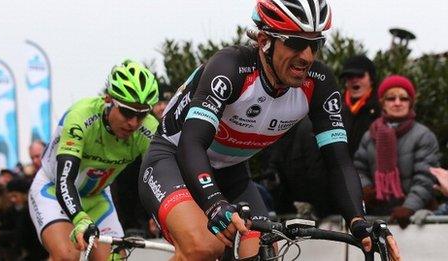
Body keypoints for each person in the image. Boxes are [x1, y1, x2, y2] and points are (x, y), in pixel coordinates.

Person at [138, 0, 400, 260]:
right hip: (173, 159)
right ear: (265, 39)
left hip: (232, 172)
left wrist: (359, 221)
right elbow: (192, 143)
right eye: (296, 43)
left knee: (264, 253)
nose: (307, 56)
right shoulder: (230, 68)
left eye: (315, 44)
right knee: (203, 247)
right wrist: (214, 203)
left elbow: (338, 161)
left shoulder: (319, 84)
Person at [28, 59, 159, 260]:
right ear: (108, 100)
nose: (133, 122)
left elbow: (162, 176)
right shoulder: (81, 117)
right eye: (127, 111)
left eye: (141, 114)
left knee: (114, 259)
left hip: (97, 198)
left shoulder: (147, 129)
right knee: (67, 256)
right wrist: (79, 218)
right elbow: (65, 179)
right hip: (53, 191)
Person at [354, 75, 440, 228]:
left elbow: (425, 177)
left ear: (411, 103)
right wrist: (366, 189)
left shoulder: (423, 135)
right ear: (383, 103)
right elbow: (359, 168)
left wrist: (409, 207)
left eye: (404, 98)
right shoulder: (369, 135)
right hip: (377, 217)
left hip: (414, 221)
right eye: (391, 98)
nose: (397, 103)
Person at [340, 55, 380, 156]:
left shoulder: (381, 109)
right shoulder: (333, 107)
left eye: (360, 76)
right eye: (349, 76)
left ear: (371, 79)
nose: (354, 80)